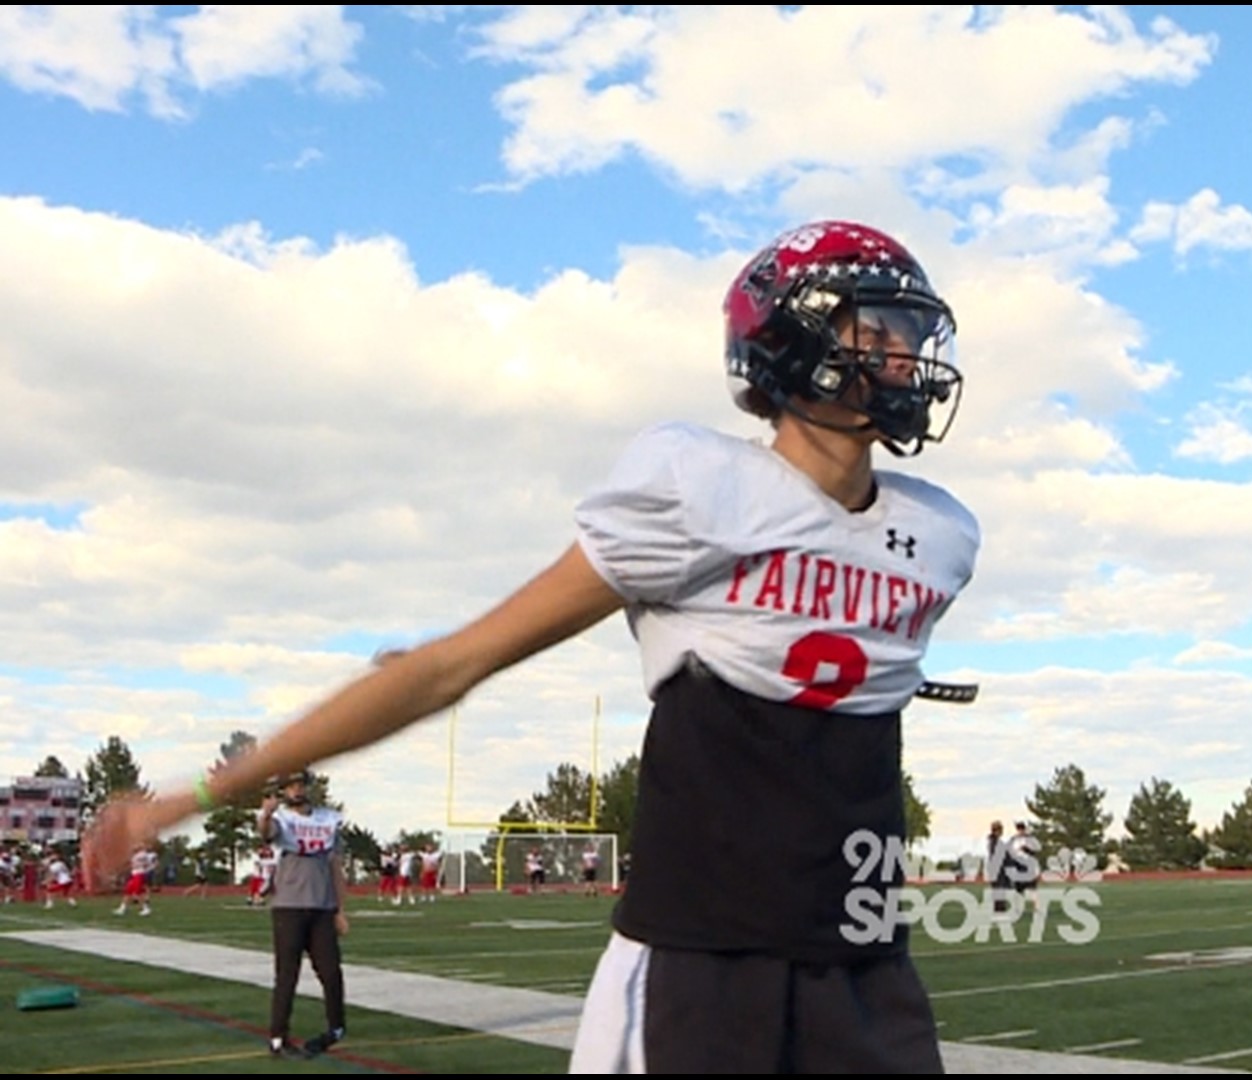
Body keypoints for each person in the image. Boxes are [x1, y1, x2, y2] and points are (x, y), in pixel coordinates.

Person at [82, 219, 978, 1073]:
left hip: (866, 961)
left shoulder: (938, 536)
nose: (905, 354)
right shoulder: (701, 490)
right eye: (881, 327)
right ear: (796, 342)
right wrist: (191, 798)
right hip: (701, 965)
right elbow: (447, 665)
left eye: (910, 329)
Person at [259, 770, 350, 1058]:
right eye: (290, 786)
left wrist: (341, 909)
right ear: (284, 792)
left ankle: (336, 1027)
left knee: (331, 972)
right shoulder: (281, 820)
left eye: (300, 785)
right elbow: (267, 834)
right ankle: (277, 1036)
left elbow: (335, 865)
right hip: (290, 906)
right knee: (287, 975)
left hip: (322, 907)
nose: (296, 790)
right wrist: (264, 815)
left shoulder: (328, 819)